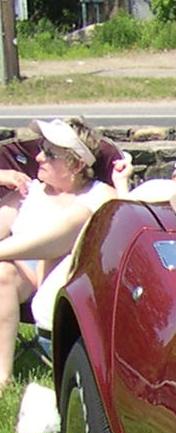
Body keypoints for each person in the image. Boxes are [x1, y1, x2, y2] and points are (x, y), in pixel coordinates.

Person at [0, 118, 118, 395]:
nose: (38, 157)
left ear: (76, 165)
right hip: (23, 274)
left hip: (65, 280)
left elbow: (63, 238)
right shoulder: (28, 192)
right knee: (2, 275)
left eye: (50, 154)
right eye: (41, 148)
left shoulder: (98, 197)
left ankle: (3, 377)